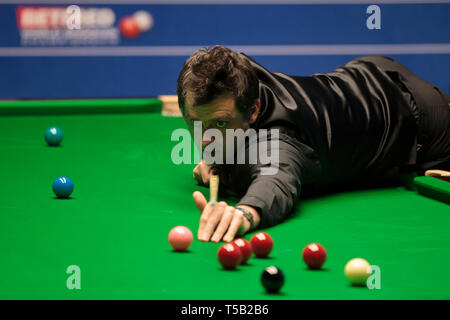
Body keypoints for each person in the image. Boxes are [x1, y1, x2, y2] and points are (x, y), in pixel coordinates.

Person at [176, 45, 450, 243]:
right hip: (364, 74)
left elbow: (276, 180)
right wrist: (224, 158)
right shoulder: (234, 74)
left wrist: (246, 213)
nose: (204, 139)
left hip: (425, 119)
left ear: (254, 111)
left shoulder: (277, 141)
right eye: (194, 121)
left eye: (221, 123)